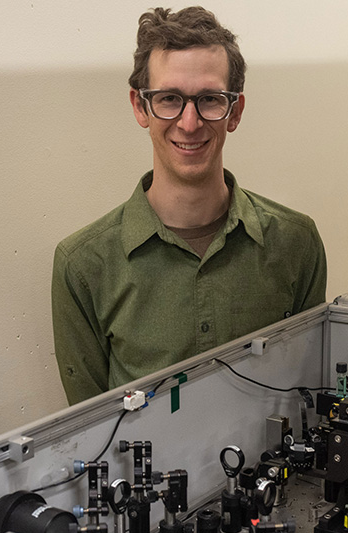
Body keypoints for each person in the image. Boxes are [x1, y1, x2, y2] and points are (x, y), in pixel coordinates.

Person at [52, 6, 327, 405]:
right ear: (139, 106)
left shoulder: (296, 242)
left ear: (235, 111)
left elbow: (307, 392)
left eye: (210, 100)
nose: (190, 122)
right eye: (169, 99)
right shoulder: (83, 266)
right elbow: (90, 429)